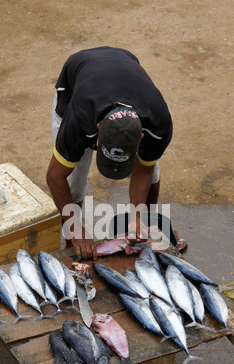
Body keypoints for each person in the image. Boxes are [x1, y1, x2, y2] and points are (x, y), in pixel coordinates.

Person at [46, 46, 185, 260]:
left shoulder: (159, 125)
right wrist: (76, 230)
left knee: (153, 172)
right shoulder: (79, 119)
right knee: (73, 182)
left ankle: (148, 228)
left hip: (125, 63)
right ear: (99, 129)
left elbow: (144, 170)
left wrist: (138, 216)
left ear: (140, 138)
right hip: (77, 77)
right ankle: (71, 244)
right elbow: (55, 176)